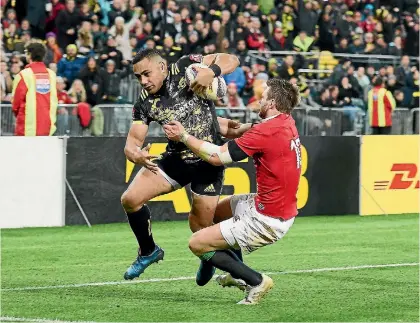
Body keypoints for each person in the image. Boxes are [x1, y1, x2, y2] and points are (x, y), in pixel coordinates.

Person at [163, 78, 301, 305]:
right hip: (271, 206)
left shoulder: (266, 131)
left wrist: (184, 136)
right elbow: (249, 133)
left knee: (197, 243)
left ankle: (255, 281)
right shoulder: (285, 122)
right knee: (214, 215)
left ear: (273, 102)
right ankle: (231, 269)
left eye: (263, 97)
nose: (259, 100)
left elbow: (216, 157)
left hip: (267, 219)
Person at [121, 48, 246, 284]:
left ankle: (212, 259)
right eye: (138, 77)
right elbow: (132, 142)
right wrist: (134, 154)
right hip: (176, 159)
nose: (143, 81)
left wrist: (213, 71)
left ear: (162, 67)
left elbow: (232, 59)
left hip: (209, 160)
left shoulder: (184, 68)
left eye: (146, 74)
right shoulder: (144, 103)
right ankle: (148, 251)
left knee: (199, 227)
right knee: (130, 199)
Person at [12, 42, 58, 136]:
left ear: (29, 55)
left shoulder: (23, 75)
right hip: (48, 127)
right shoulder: (51, 74)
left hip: (26, 127)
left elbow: (16, 103)